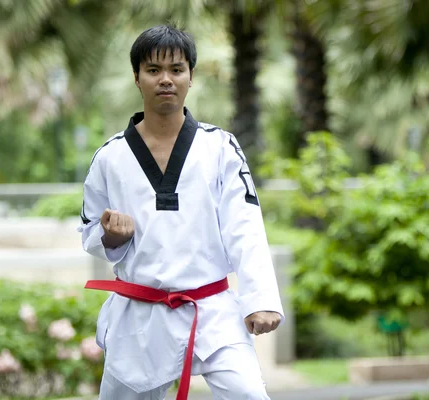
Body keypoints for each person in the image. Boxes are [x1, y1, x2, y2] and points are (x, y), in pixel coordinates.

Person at [78, 24, 285, 400]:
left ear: (191, 76)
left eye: (176, 69)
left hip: (211, 310)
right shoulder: (109, 157)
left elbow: (245, 224)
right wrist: (112, 236)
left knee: (250, 395)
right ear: (137, 78)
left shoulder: (220, 147)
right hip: (140, 316)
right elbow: (90, 230)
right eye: (153, 70)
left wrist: (261, 299)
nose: (166, 80)